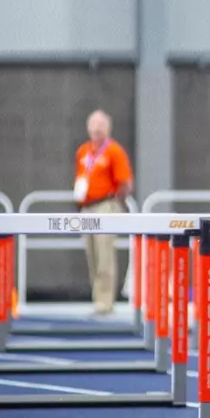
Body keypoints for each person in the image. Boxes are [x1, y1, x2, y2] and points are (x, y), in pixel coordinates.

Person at [73, 110, 133, 316]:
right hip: (87, 206)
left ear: (108, 128)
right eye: (94, 125)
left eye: (101, 125)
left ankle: (105, 302)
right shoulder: (83, 152)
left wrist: (116, 203)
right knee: (91, 252)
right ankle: (97, 297)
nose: (97, 129)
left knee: (104, 253)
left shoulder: (114, 151)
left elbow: (125, 182)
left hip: (105, 205)